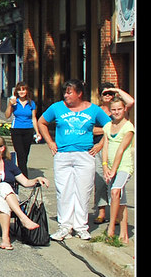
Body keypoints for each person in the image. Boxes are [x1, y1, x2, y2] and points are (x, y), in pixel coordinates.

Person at [37, 79, 109, 241]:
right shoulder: (57, 107)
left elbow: (110, 127)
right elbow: (42, 122)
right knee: (64, 191)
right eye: (65, 92)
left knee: (83, 191)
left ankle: (81, 226)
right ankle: (65, 226)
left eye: (69, 92)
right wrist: (50, 142)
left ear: (79, 93)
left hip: (85, 155)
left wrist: (100, 145)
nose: (66, 95)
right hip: (62, 155)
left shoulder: (93, 109)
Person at [0, 137, 49, 250]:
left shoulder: (10, 165)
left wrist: (37, 179)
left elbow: (25, 182)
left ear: (2, 148)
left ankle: (5, 239)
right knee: (4, 185)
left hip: (7, 198)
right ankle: (23, 218)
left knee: (2, 200)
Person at [93, 83, 135, 225]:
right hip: (99, 149)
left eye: (110, 93)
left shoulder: (119, 110)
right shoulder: (97, 110)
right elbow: (89, 129)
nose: (108, 96)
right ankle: (101, 211)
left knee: (116, 186)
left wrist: (117, 90)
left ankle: (115, 216)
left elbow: (131, 101)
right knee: (100, 182)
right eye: (105, 93)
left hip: (115, 152)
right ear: (100, 96)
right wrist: (104, 133)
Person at [99, 96, 134, 244]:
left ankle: (111, 228)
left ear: (124, 109)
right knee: (120, 199)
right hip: (111, 166)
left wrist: (114, 170)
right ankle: (124, 233)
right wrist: (105, 166)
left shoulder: (128, 127)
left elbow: (121, 150)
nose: (117, 112)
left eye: (119, 109)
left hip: (123, 166)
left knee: (115, 192)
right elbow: (105, 147)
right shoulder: (107, 126)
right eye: (114, 110)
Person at [6, 82, 38, 174]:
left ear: (27, 91)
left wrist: (37, 132)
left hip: (28, 129)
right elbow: (7, 115)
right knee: (20, 153)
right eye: (19, 90)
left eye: (23, 89)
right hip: (16, 129)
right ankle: (23, 175)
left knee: (25, 153)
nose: (21, 92)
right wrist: (10, 105)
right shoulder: (15, 102)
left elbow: (34, 118)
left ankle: (20, 172)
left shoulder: (31, 103)